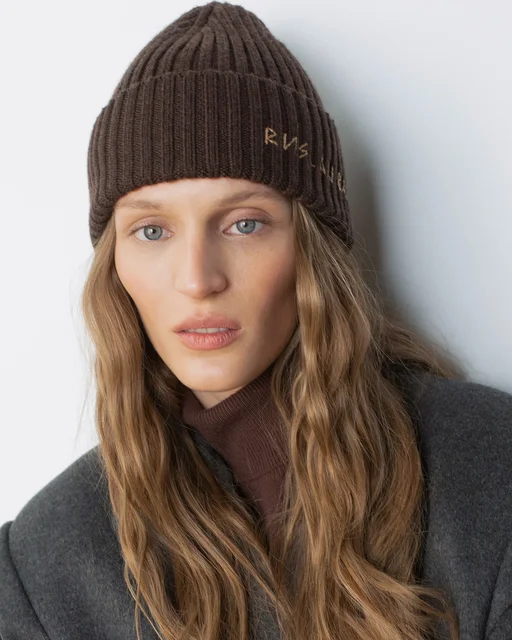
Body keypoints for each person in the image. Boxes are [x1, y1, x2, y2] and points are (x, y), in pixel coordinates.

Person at [1, 2, 511, 639]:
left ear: (312, 250)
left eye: (244, 223)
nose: (197, 279)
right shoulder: (42, 571)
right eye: (152, 230)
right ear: (115, 265)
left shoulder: (489, 473)